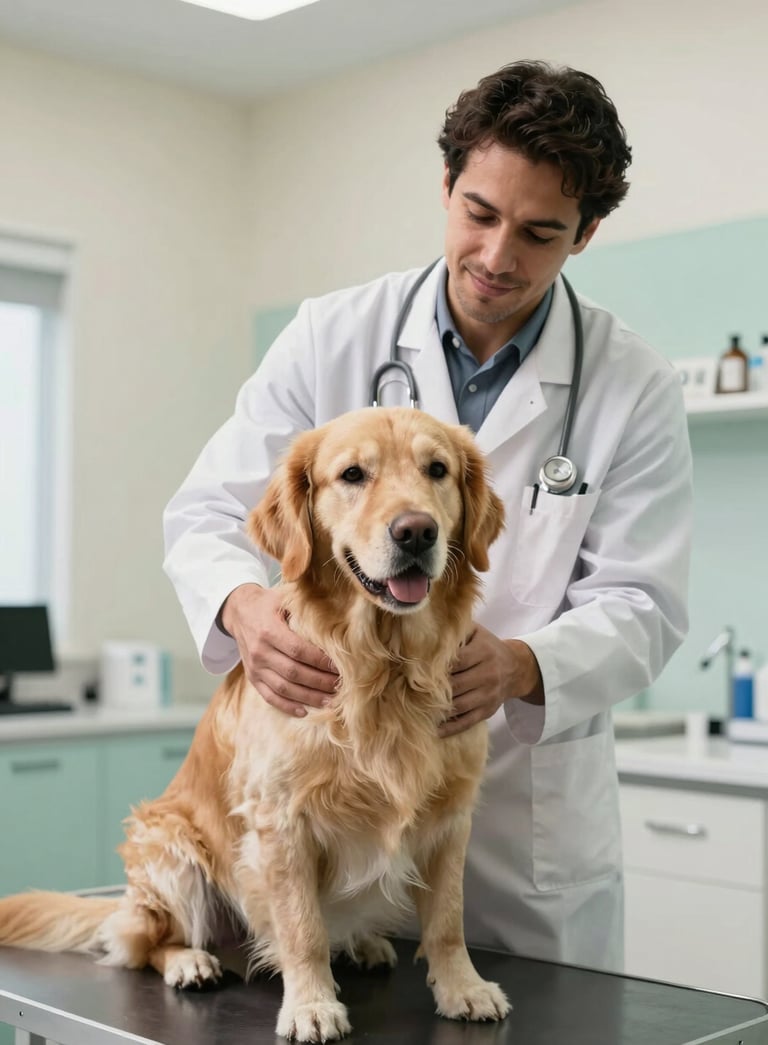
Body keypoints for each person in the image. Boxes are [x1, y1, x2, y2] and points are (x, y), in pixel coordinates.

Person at [163, 60, 692, 972]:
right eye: (479, 214)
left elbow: (645, 601)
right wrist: (245, 613)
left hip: (520, 839)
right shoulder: (333, 334)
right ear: (446, 186)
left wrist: (525, 663)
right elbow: (209, 508)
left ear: (586, 233)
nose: (497, 257)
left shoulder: (631, 384)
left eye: (538, 232)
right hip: (335, 831)